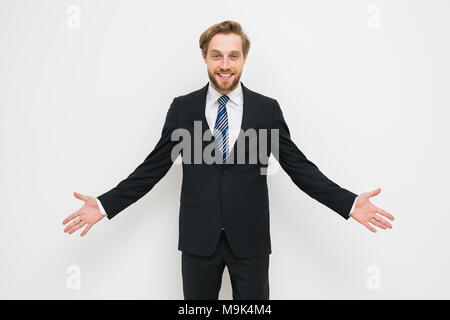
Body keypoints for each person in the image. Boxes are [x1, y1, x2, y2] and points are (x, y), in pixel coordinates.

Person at [62, 20, 394, 300]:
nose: (225, 65)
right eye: (217, 55)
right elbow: (153, 168)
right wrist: (104, 205)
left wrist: (349, 203)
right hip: (197, 240)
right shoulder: (183, 109)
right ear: (204, 57)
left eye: (233, 56)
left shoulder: (266, 110)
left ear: (244, 58)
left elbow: (299, 167)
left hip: (250, 241)